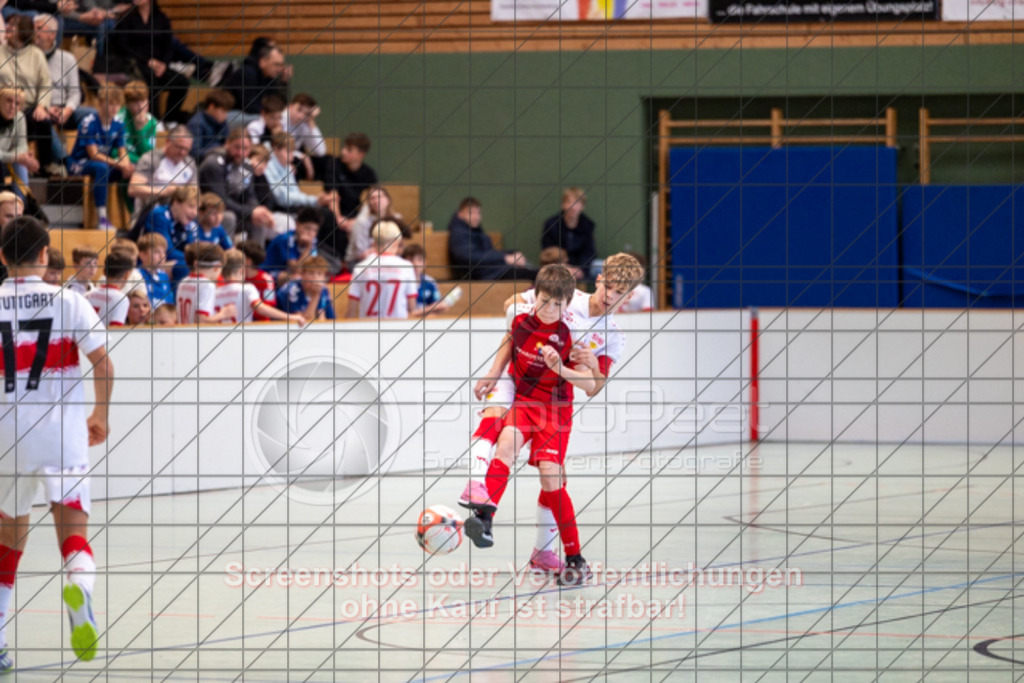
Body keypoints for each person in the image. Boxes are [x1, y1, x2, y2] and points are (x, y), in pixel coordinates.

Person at [462, 253, 644, 575]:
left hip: (557, 405)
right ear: (599, 279)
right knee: (505, 444)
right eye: (608, 287)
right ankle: (484, 519)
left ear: (629, 297)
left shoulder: (613, 336)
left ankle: (569, 557)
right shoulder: (565, 295)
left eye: (620, 293)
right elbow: (512, 307)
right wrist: (504, 367)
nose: (610, 297)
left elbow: (594, 386)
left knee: (551, 476)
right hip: (524, 394)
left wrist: (581, 363)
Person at [0, 216, 113, 670]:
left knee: (7, 543)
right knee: (74, 537)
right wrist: (99, 414)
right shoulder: (70, 302)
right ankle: (78, 588)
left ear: (3, 258)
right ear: (45, 254)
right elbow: (104, 365)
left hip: (7, 433)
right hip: (61, 435)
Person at [98, 0, 191, 123]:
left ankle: (170, 119)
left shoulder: (161, 18)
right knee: (151, 80)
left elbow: (168, 45)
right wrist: (147, 61)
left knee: (181, 82)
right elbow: (122, 46)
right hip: (135, 64)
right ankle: (154, 121)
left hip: (158, 64)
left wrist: (163, 64)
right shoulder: (127, 18)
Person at [65, 83, 132, 229]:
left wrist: (126, 165)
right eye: (110, 104)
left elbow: (122, 151)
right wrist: (118, 163)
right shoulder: (88, 122)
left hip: (104, 165)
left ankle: (132, 216)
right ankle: (101, 218)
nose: (114, 108)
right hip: (79, 163)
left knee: (130, 170)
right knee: (102, 168)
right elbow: (94, 154)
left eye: (117, 105)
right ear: (100, 103)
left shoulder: (119, 124)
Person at [33, 13, 88, 176]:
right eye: (34, 29)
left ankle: (86, 158)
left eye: (39, 29)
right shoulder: (30, 58)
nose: (34, 33)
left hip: (64, 109)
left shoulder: (68, 58)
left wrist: (67, 110)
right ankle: (66, 161)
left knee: (91, 115)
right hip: (42, 108)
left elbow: (75, 93)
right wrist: (46, 107)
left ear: (52, 35)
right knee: (42, 120)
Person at [198, 126, 274, 243]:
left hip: (236, 210)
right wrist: (251, 212)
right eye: (237, 147)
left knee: (259, 221)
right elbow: (221, 201)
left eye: (245, 149)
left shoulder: (246, 165)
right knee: (230, 217)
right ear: (227, 143)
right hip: (211, 212)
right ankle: (229, 257)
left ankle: (254, 258)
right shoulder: (213, 164)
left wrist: (258, 210)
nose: (240, 153)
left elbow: (250, 195)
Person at [0, 15, 54, 174]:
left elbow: (45, 85)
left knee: (43, 120)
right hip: (3, 106)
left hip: (29, 106)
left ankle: (45, 166)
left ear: (24, 30)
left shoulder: (36, 54)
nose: (8, 27)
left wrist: (42, 105)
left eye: (13, 25)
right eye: (7, 24)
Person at [447, 197, 535, 281]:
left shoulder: (475, 231)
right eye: (470, 213)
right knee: (535, 275)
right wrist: (505, 258)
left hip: (492, 271)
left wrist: (511, 253)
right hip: (484, 275)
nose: (476, 217)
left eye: (478, 213)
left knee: (534, 272)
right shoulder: (459, 234)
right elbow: (470, 257)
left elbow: (487, 253)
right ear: (460, 214)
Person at [346, 220, 420, 320]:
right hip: (399, 329)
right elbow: (412, 308)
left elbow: (351, 311)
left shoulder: (360, 268)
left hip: (368, 330)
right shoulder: (407, 267)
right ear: (396, 243)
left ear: (374, 243)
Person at [215, 249, 304, 325]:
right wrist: (290, 317)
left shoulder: (215, 293)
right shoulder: (247, 289)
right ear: (242, 270)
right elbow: (260, 308)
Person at [127, 126, 196, 220]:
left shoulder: (189, 163)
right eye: (179, 147)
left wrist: (179, 191)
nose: (182, 152)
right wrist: (163, 191)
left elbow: (195, 194)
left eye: (186, 149)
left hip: (179, 216)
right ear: (168, 142)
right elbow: (133, 189)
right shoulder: (151, 159)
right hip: (149, 213)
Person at [139, 184, 197, 283]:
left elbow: (192, 249)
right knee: (184, 266)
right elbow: (166, 252)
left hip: (169, 262)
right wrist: (195, 258)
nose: (195, 213)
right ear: (176, 203)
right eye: (191, 206)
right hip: (147, 264)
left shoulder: (189, 223)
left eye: (197, 208)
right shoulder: (159, 215)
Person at [541, 187, 597, 281]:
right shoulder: (551, 225)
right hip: (556, 266)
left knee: (602, 266)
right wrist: (563, 267)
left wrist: (580, 270)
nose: (573, 206)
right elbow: (547, 253)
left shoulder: (588, 225)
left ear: (583, 206)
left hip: (581, 268)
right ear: (563, 204)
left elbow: (589, 252)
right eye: (569, 202)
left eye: (577, 202)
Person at [220, 43, 288, 119]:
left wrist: (283, 82)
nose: (279, 69)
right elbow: (248, 106)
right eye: (276, 65)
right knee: (263, 119)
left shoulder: (269, 77)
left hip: (249, 114)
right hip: (230, 114)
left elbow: (276, 103)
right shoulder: (248, 73)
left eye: (281, 65)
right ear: (263, 62)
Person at [176, 242, 234, 324]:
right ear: (217, 266)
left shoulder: (184, 282)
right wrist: (223, 314)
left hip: (182, 334)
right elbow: (201, 320)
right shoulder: (207, 285)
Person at [345, 185, 402, 269]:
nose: (376, 201)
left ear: (388, 200)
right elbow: (361, 253)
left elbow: (400, 247)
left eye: (379, 197)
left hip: (386, 258)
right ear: (369, 203)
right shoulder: (362, 222)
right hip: (358, 261)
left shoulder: (397, 219)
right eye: (372, 198)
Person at [261, 207, 320, 281]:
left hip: (288, 273)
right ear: (297, 225)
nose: (311, 233)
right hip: (268, 273)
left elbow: (309, 267)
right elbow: (296, 269)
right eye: (307, 228)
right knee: (297, 278)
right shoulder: (285, 239)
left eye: (315, 230)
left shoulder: (313, 242)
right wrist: (308, 248)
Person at [275, 255, 334, 321]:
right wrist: (316, 295)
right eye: (311, 273)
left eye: (319, 274)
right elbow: (303, 322)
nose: (315, 277)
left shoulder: (323, 289)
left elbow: (327, 319)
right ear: (302, 274)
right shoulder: (291, 290)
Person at [117, 80, 162, 165]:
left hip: (141, 164)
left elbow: (148, 153)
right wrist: (138, 161)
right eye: (135, 103)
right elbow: (114, 151)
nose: (141, 106)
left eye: (143, 101)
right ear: (127, 104)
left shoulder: (152, 121)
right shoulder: (119, 119)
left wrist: (139, 130)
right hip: (123, 162)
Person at [0, 87, 37, 189]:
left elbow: (22, 146)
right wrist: (16, 157)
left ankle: (21, 202)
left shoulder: (19, 117)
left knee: (21, 163)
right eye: (9, 101)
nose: (12, 106)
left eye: (17, 103)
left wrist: (20, 157)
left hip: (6, 160)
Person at [402, 243, 453, 315]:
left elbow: (440, 306)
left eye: (419, 260)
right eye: (410, 260)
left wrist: (440, 306)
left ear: (425, 262)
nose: (415, 264)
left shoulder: (430, 282)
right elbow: (408, 313)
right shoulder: (400, 282)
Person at [334, 132, 377, 218]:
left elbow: (371, 201)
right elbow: (332, 195)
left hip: (357, 216)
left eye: (349, 150)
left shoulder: (369, 174)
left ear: (361, 154)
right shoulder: (334, 165)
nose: (343, 152)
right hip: (335, 215)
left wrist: (356, 222)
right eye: (344, 147)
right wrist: (338, 219)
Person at [85, 250, 132, 326]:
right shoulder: (121, 299)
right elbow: (115, 331)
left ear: (104, 272)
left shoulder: (86, 295)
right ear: (127, 274)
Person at [186, 90, 234, 160]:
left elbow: (227, 142)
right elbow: (194, 153)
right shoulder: (196, 124)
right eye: (223, 111)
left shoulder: (222, 123)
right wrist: (217, 151)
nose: (226, 116)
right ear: (211, 107)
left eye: (227, 112)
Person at [236, 239, 276, 320]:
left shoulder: (266, 279)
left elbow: (269, 304)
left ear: (248, 261)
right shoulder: (235, 278)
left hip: (260, 324)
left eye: (238, 257)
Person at [137, 232, 173, 306]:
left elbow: (169, 303)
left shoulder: (164, 276)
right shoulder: (137, 275)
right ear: (143, 255)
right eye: (157, 252)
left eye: (164, 252)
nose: (162, 256)